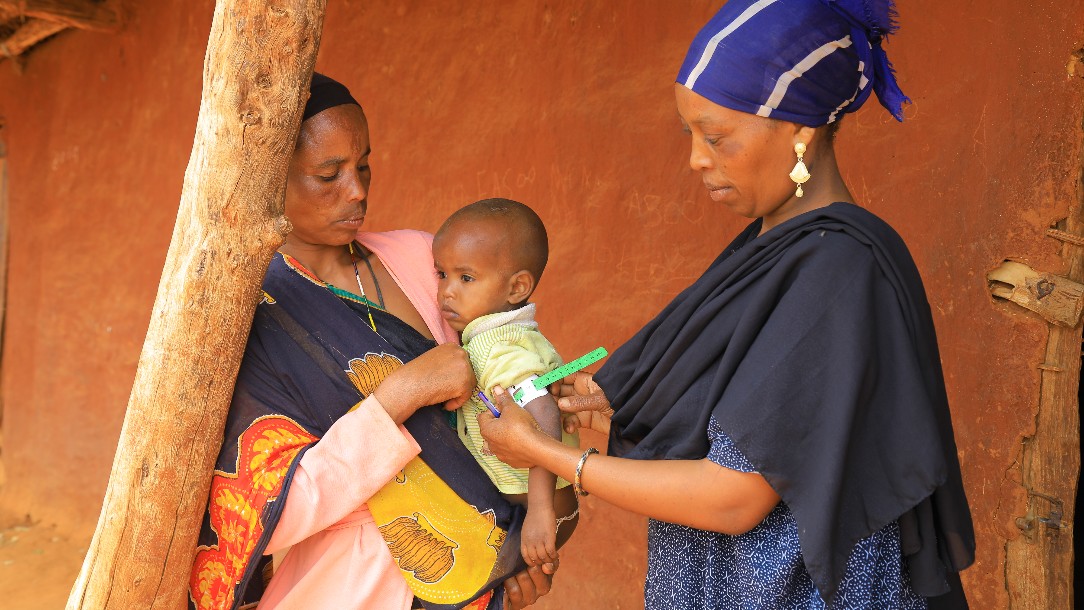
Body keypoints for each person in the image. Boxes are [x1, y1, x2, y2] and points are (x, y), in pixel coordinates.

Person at [478, 1, 976, 609]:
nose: (696, 158)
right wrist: (607, 410)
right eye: (689, 133)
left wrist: (547, 455)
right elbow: (767, 432)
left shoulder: (836, 270)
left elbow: (734, 495)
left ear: (800, 131)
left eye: (716, 137)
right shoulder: (772, 248)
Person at [188, 74, 556, 610]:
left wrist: (552, 392)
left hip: (481, 570)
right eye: (327, 174)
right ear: (269, 178)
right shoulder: (252, 318)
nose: (357, 190)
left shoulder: (425, 260)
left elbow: (505, 386)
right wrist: (403, 393)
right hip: (346, 589)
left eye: (362, 165)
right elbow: (271, 512)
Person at [432, 198, 579, 568]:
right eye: (441, 274)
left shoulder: (496, 345)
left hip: (534, 506)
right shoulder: (510, 331)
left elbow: (541, 409)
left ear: (517, 288)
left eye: (466, 278)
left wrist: (541, 511)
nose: (448, 291)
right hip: (537, 501)